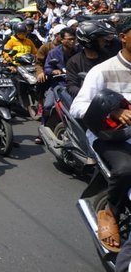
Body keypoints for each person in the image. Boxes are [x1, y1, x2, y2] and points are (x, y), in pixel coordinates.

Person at [71, 16, 131, 254]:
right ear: (123, 37)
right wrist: (113, 110)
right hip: (110, 136)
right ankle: (110, 211)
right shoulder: (102, 71)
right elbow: (78, 107)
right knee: (127, 169)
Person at [66, 20, 116, 98]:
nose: (105, 41)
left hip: (111, 98)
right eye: (102, 38)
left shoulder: (109, 56)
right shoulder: (73, 62)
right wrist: (88, 94)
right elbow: (71, 86)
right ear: (91, 40)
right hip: (87, 103)